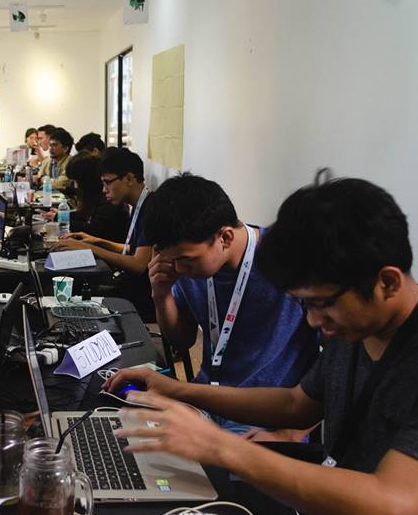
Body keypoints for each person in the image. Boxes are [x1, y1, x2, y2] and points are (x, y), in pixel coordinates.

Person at [105, 178, 418, 515]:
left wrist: (221, 446)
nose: (313, 320)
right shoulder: (355, 331)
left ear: (388, 282)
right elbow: (296, 404)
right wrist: (176, 389)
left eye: (321, 304)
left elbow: (393, 505)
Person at [144, 173, 319, 436]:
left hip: (267, 414)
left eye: (187, 260)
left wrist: (291, 433)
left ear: (225, 238)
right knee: (128, 434)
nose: (179, 269)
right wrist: (161, 294)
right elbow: (182, 340)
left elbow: (333, 369)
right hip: (206, 398)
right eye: (173, 260)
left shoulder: (286, 262)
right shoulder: (187, 265)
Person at [54, 147, 155, 321]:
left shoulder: (151, 209)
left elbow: (138, 264)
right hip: (129, 285)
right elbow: (132, 249)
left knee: (69, 299)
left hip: (139, 297)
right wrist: (97, 241)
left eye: (107, 182)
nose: (104, 190)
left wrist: (89, 249)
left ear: (129, 179)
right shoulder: (140, 205)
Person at [64, 152, 130, 243]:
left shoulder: (109, 199)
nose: (75, 186)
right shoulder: (95, 196)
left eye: (76, 181)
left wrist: (63, 220)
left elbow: (94, 230)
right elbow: (84, 215)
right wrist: (61, 216)